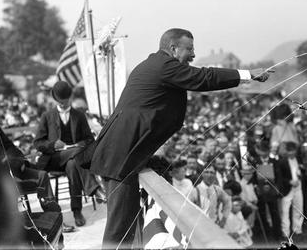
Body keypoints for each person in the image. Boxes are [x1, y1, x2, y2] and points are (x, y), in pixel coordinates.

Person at [89, 28, 272, 248]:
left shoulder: (156, 65)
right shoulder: (164, 66)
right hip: (121, 157)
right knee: (118, 231)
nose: (193, 55)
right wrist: (247, 74)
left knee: (127, 225)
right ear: (173, 49)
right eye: (190, 49)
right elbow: (203, 77)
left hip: (124, 155)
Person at [34, 81, 105, 227]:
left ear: (70, 98)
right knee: (77, 154)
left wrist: (82, 144)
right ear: (55, 99)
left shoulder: (79, 115)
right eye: (60, 101)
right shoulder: (47, 116)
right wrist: (52, 144)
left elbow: (89, 139)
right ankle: (94, 188)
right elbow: (37, 143)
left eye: (65, 101)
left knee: (73, 164)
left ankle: (76, 211)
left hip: (73, 160)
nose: (63, 104)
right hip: (54, 158)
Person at [275, 141, 304, 238]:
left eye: (293, 151)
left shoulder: (299, 160)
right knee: (285, 211)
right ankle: (285, 232)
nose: (292, 153)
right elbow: (279, 177)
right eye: (289, 151)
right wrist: (289, 182)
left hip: (298, 187)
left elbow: (302, 171)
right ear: (286, 151)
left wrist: (300, 175)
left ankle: (297, 229)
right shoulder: (281, 162)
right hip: (287, 189)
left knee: (299, 209)